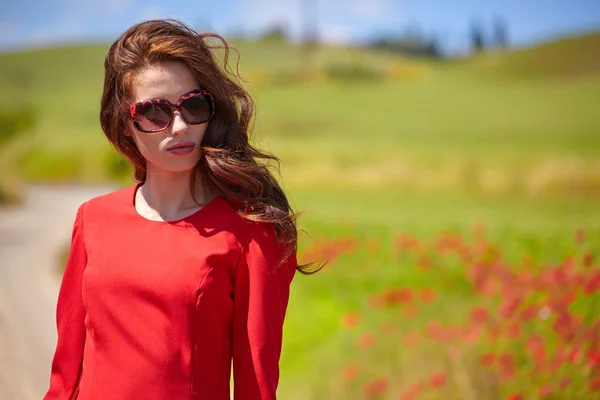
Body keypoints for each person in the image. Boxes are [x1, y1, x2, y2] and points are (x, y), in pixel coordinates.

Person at [44, 19, 311, 400]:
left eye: (193, 105)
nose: (180, 126)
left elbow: (256, 385)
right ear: (125, 124)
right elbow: (65, 373)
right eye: (156, 112)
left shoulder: (249, 233)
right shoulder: (93, 219)